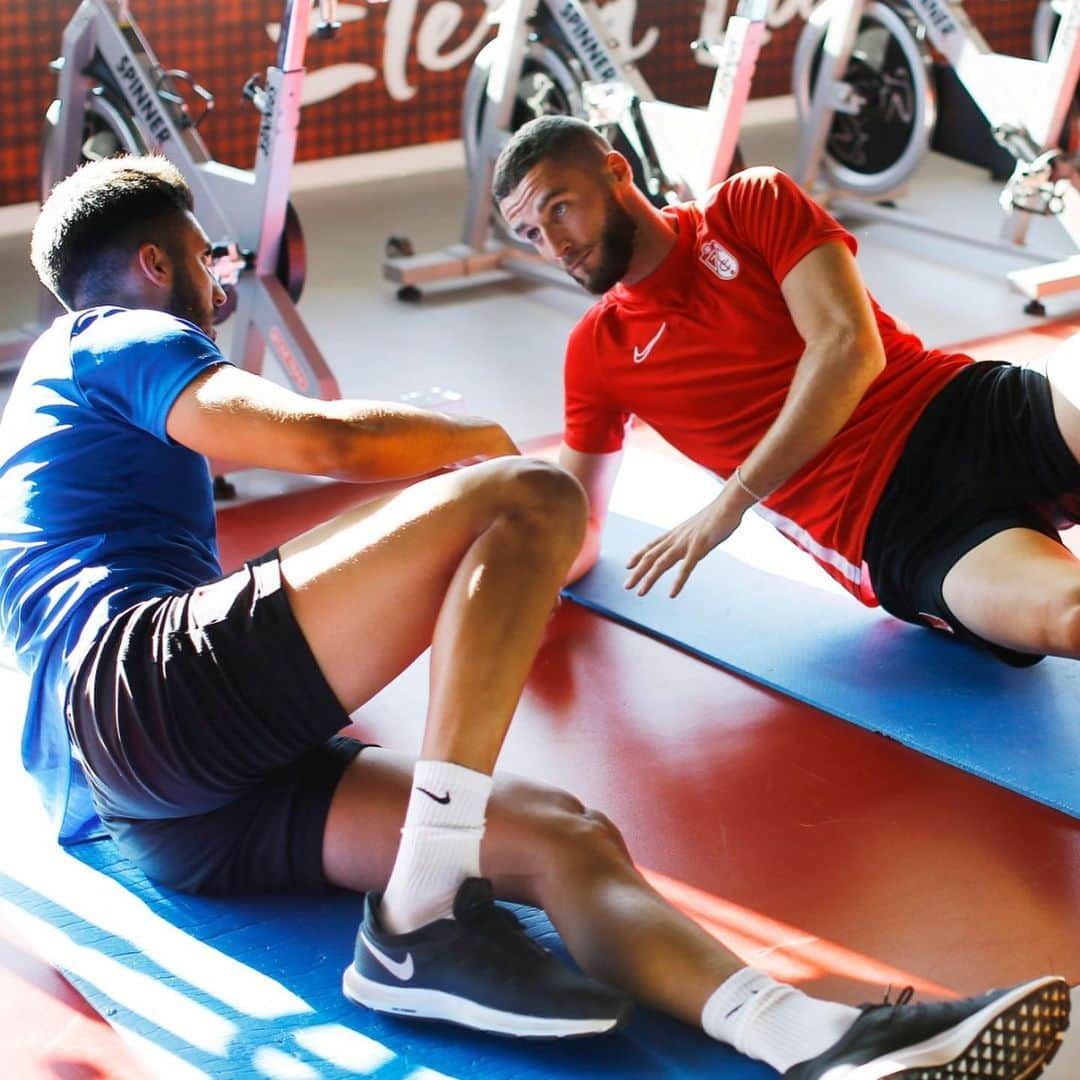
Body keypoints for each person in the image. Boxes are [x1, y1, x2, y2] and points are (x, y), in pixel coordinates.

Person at [0, 155, 1068, 1078]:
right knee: (530, 493)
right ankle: (420, 912)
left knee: (565, 836)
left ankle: (816, 1038)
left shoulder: (65, 396)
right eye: (206, 254)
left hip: (165, 811)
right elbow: (328, 448)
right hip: (139, 694)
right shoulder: (116, 331)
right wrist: (483, 447)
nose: (218, 277)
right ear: (155, 263)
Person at [493, 115, 1080, 668]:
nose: (554, 245)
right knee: (1069, 616)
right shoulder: (598, 351)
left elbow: (848, 347)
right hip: (895, 525)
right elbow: (581, 520)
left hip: (967, 410)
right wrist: (523, 573)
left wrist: (731, 502)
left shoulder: (750, 203)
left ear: (617, 172)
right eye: (530, 234)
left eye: (560, 209)